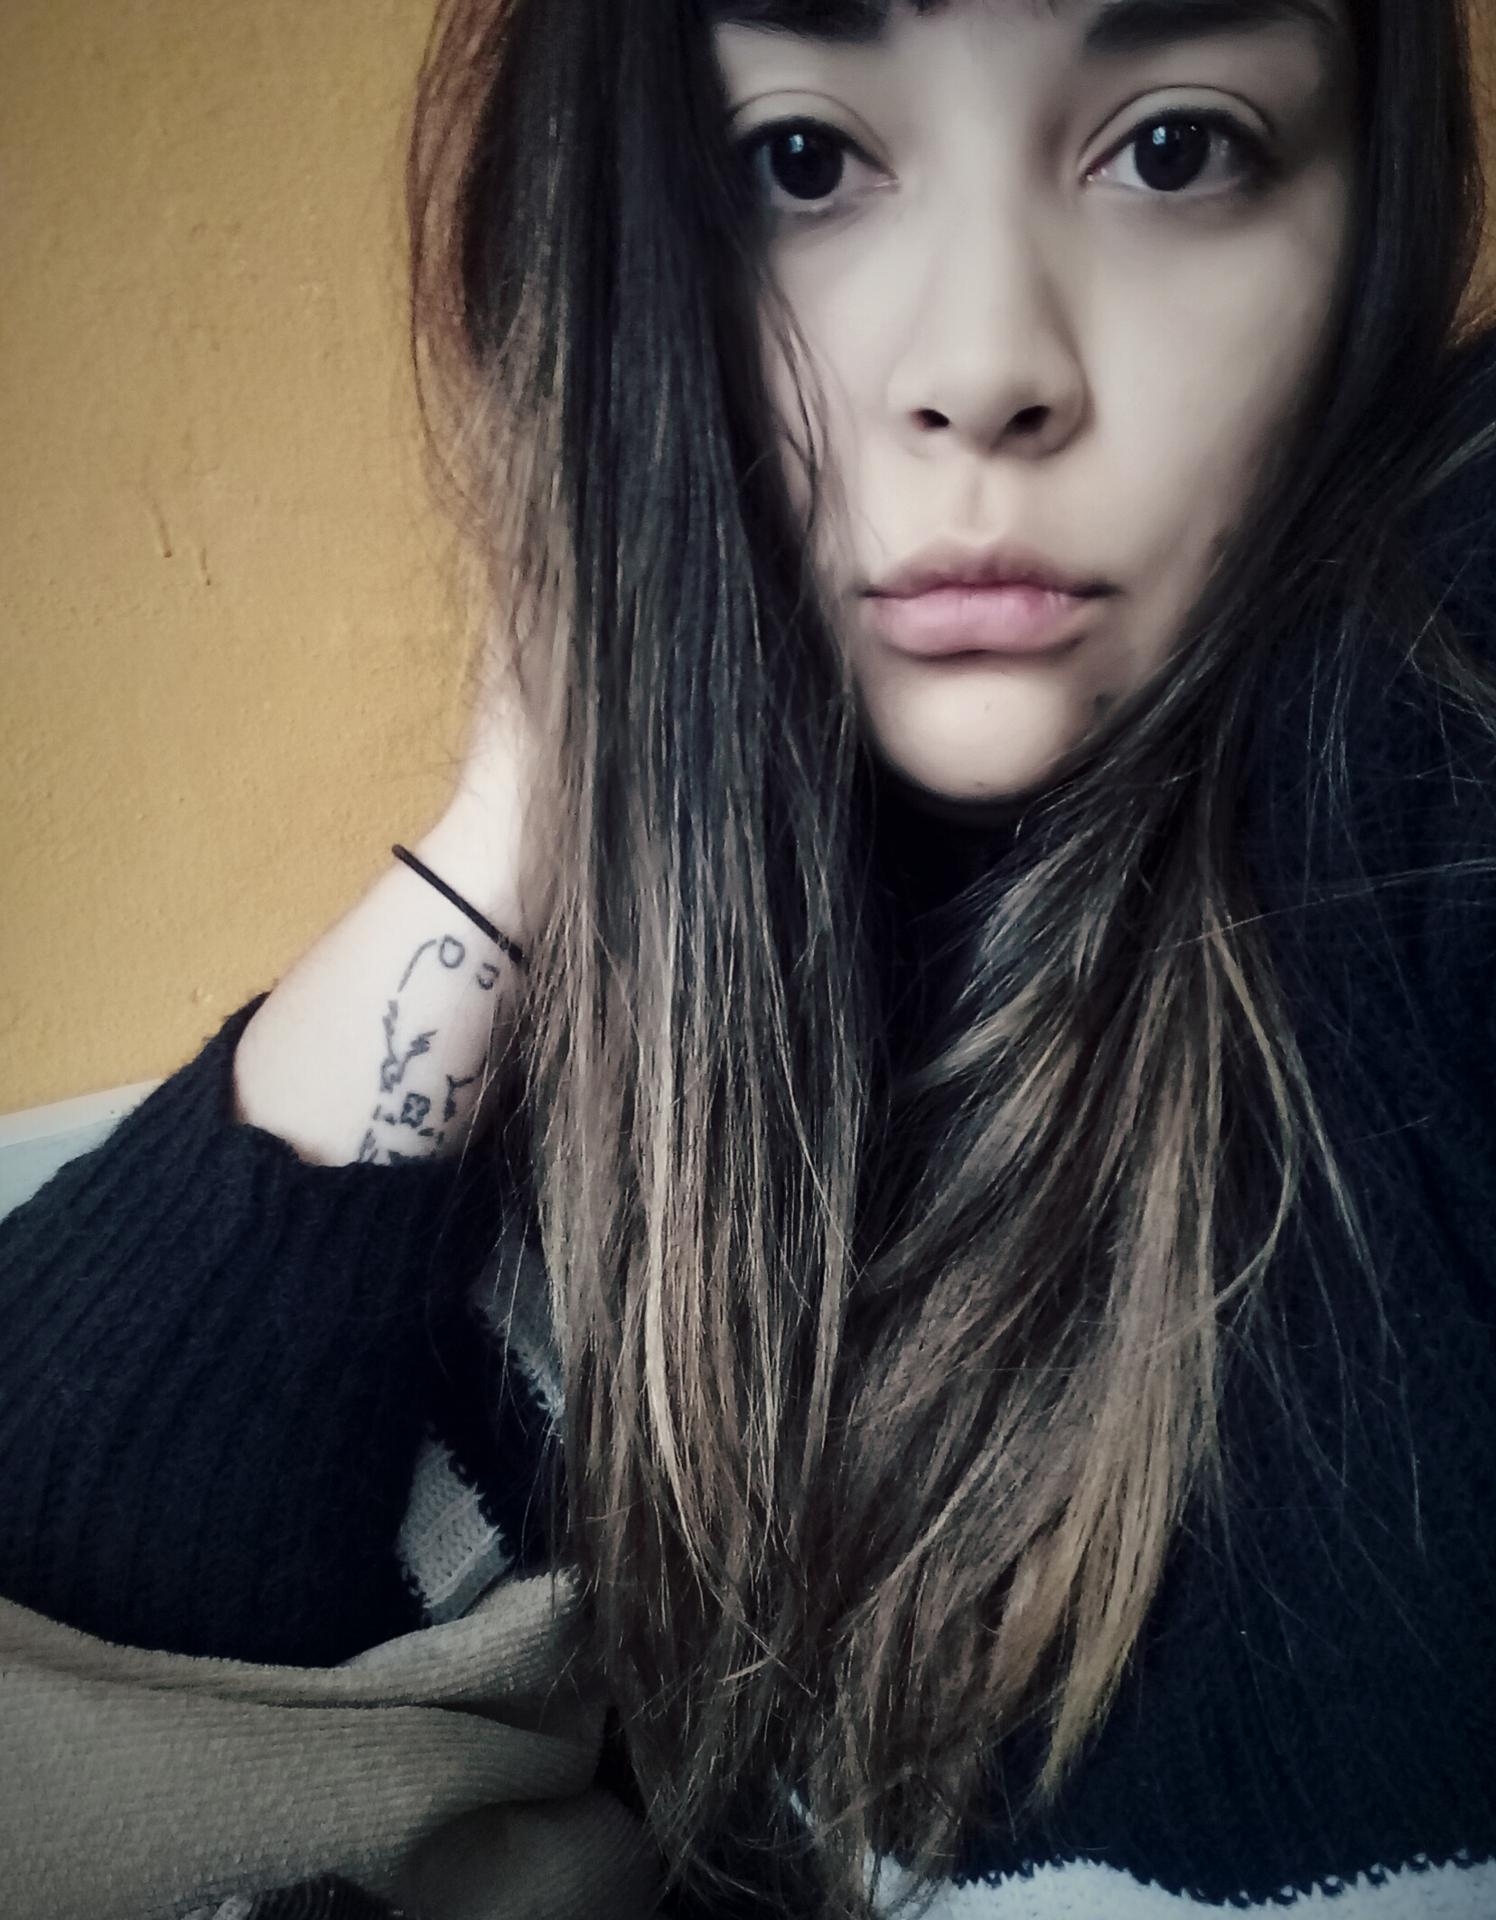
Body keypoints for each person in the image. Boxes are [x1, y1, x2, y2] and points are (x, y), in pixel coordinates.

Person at [3, 0, 1496, 1914]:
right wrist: (549, 755)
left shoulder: (1429, 712)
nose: (983, 368)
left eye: (1174, 146)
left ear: (1372, 221)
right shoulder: (671, 1037)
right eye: (801, 160)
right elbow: (71, 1608)